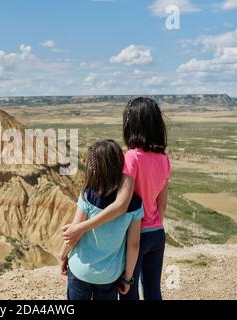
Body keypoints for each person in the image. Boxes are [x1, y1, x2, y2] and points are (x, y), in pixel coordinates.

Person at [63, 97, 170, 300]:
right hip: (157, 233)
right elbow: (161, 205)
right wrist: (155, 224)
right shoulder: (164, 159)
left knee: (127, 291)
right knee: (153, 290)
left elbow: (121, 205)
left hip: (137, 232)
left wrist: (82, 227)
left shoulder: (131, 157)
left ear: (131, 125)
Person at [59, 139, 143, 300]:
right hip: (109, 275)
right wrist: (127, 278)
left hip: (80, 271)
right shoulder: (134, 203)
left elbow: (74, 234)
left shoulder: (89, 195)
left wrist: (63, 256)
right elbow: (134, 244)